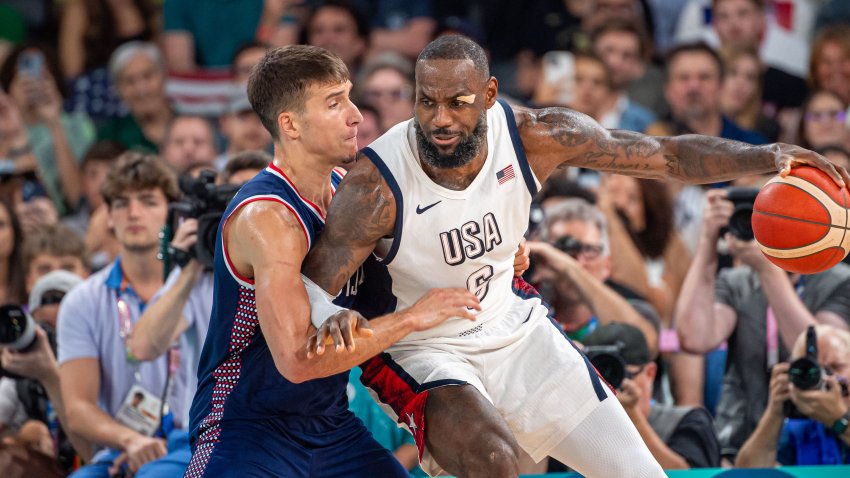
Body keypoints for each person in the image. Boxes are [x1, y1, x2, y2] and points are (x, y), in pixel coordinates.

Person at [302, 34, 849, 478]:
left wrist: (766, 155)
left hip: (511, 323)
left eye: (458, 102)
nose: (440, 118)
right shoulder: (377, 183)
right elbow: (314, 284)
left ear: (490, 96)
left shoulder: (537, 136)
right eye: (427, 101)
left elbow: (664, 156)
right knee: (494, 460)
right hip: (422, 346)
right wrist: (333, 316)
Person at [185, 45, 480, 477]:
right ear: (291, 125)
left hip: (328, 424)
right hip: (245, 428)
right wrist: (415, 318)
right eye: (334, 103)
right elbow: (298, 360)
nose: (356, 115)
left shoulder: (353, 191)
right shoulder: (268, 218)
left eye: (349, 96)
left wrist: (494, 254)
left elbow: (425, 255)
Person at [675, 188, 850, 462]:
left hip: (823, 435)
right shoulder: (737, 281)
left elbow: (822, 353)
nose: (762, 232)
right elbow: (695, 337)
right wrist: (708, 243)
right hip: (742, 438)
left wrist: (769, 270)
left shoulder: (839, 280)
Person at [57, 152, 185, 477]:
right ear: (108, 217)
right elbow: (77, 408)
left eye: (148, 201)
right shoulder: (81, 300)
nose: (134, 213)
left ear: (172, 213)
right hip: (119, 448)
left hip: (194, 443)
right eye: (120, 203)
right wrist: (130, 440)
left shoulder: (195, 286)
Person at [527, 198, 659, 355]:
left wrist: (571, 269)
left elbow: (646, 344)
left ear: (607, 265)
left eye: (589, 250)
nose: (579, 260)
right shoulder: (529, 307)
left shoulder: (636, 309)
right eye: (564, 250)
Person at [583, 323, 721, 469]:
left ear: (650, 373)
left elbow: (692, 475)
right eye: (600, 379)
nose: (609, 387)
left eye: (617, 376)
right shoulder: (577, 427)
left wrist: (633, 417)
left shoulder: (689, 422)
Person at [736, 324, 850, 466]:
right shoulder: (799, 427)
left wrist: (839, 421)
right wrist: (774, 412)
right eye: (812, 370)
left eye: (835, 367)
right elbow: (747, 474)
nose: (824, 377)